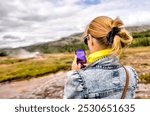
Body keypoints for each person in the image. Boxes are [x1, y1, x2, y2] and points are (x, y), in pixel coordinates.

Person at [63, 16, 138, 99]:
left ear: (90, 39)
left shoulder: (78, 79)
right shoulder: (131, 73)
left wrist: (76, 73)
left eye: (86, 40)